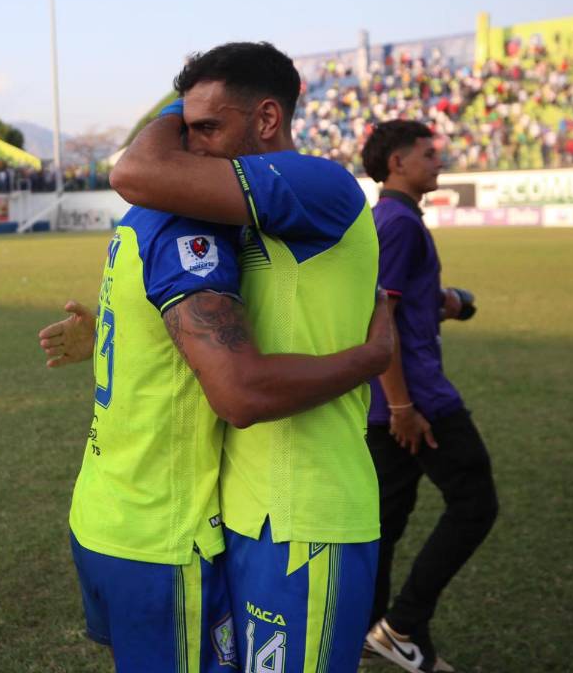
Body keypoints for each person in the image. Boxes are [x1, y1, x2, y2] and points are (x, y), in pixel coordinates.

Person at [38, 172, 392, 672]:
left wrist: (103, 340)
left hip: (101, 516)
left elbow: (155, 350)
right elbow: (240, 392)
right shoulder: (186, 233)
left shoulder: (137, 221)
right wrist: (370, 357)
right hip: (161, 536)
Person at [108, 41, 382, 672]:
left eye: (208, 126)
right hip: (240, 511)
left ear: (265, 119)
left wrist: (170, 114)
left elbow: (134, 174)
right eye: (189, 127)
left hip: (310, 512)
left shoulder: (321, 183)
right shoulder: (243, 215)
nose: (194, 143)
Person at [358, 119, 498, 673]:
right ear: (397, 163)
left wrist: (449, 301)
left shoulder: (392, 219)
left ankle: (361, 634)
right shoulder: (398, 223)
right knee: (475, 503)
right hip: (416, 399)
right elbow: (379, 313)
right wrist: (402, 407)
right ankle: (403, 624)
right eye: (427, 153)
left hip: (386, 402)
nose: (438, 161)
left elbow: (399, 296)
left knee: (383, 523)